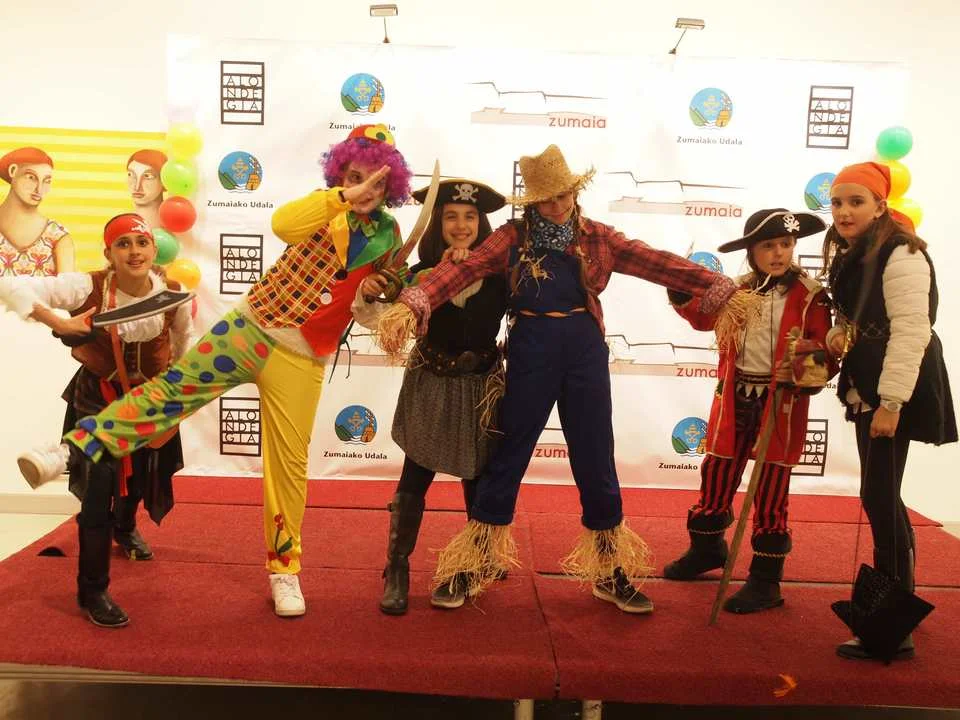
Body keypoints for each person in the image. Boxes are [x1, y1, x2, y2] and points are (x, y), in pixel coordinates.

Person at [20, 124, 414, 618]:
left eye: (377, 182)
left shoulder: (389, 236)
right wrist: (343, 197)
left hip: (302, 357)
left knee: (288, 467)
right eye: (356, 176)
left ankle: (284, 571)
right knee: (170, 395)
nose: (366, 189)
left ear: (391, 186)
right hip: (250, 330)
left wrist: (375, 294)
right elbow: (284, 225)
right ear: (341, 174)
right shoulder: (322, 206)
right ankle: (72, 449)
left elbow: (370, 315)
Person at [376, 144, 752, 614]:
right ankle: (474, 563)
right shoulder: (511, 238)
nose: (556, 205)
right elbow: (462, 270)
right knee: (507, 456)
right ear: (532, 201)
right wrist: (412, 303)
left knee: (596, 458)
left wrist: (717, 287)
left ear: (576, 191)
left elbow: (654, 261)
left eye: (562, 194)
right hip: (531, 350)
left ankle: (610, 571)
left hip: (584, 352)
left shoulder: (599, 238)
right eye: (545, 198)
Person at [0, 213, 191, 626]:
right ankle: (93, 590)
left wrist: (175, 396)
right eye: (123, 244)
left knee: (140, 476)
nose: (134, 252)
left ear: (153, 249)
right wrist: (59, 321)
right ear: (109, 253)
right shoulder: (88, 286)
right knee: (99, 492)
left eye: (141, 242)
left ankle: (126, 526)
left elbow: (183, 343)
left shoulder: (173, 294)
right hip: (97, 401)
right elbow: (9, 284)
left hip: (150, 401)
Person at [662, 208, 836, 613]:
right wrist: (681, 290)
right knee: (717, 473)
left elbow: (827, 351)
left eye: (786, 244)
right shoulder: (736, 290)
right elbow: (703, 318)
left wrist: (802, 364)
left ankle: (765, 579)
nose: (779, 253)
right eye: (768, 246)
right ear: (752, 252)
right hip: (735, 397)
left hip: (781, 404)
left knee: (771, 488)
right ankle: (707, 549)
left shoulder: (811, 295)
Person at [354, 178, 509, 614]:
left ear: (481, 224)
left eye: (470, 217)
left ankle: (476, 558)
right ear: (438, 225)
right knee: (416, 474)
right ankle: (397, 566)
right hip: (431, 383)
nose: (461, 225)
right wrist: (370, 292)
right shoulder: (417, 276)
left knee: (478, 477)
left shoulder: (502, 276)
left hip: (481, 387)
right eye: (451, 217)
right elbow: (377, 317)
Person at [823, 162, 956, 660]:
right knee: (882, 495)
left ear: (880, 205)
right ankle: (899, 607)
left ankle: (893, 628)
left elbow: (911, 331)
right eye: (837, 202)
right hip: (871, 382)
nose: (844, 211)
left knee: (879, 495)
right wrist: (839, 335)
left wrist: (892, 403)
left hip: (896, 387)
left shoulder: (903, 252)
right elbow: (860, 318)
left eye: (856, 201)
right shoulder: (854, 252)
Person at [0, 147, 74, 276]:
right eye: (31, 177)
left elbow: (67, 287)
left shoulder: (58, 237)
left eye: (47, 181)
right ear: (13, 171)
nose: (39, 189)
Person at [126, 149, 168, 230]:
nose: (137, 187)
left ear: (164, 180)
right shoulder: (121, 224)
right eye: (130, 174)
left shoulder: (175, 227)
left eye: (148, 176)